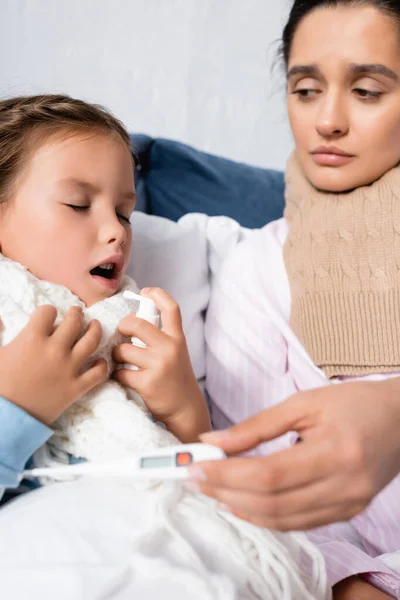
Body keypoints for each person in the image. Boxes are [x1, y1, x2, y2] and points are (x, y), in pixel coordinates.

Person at [0, 94, 327, 599]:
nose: (115, 232)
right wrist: (16, 405)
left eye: (126, 213)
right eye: (78, 205)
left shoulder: (131, 324)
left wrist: (184, 407)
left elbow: (204, 479)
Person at [195, 1, 400, 598]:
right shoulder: (256, 268)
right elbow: (269, 478)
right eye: (306, 89)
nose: (327, 120)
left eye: (366, 91)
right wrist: (352, 581)